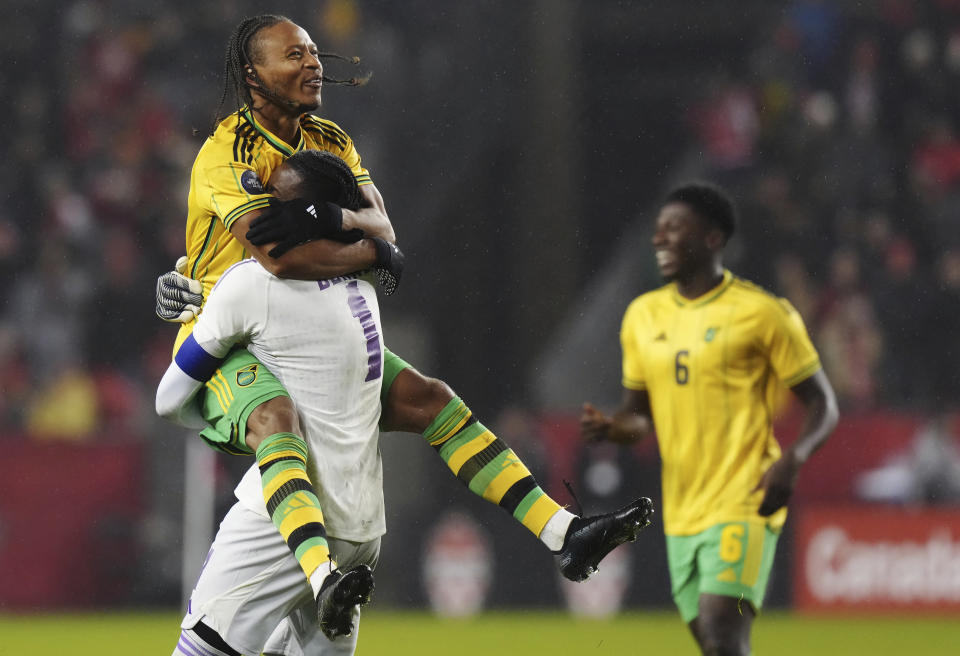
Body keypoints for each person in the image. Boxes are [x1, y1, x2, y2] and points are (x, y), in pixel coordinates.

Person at [156, 13, 654, 655]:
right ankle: (319, 574)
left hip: (317, 317)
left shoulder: (330, 137)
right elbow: (279, 254)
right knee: (277, 417)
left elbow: (383, 225)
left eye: (313, 52)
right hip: (232, 341)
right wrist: (364, 250)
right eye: (293, 55)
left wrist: (344, 228)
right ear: (254, 76)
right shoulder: (228, 153)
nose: (313, 63)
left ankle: (562, 532)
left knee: (431, 398)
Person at [581, 182, 839, 656]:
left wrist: (794, 459)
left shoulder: (763, 314)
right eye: (657, 230)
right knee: (716, 645)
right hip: (681, 511)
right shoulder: (643, 316)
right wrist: (615, 428)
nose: (660, 239)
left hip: (746, 497)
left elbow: (824, 402)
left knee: (724, 629)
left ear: (713, 238)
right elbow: (640, 417)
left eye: (675, 228)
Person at [158, 149, 386, 655]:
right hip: (362, 527)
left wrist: (233, 418)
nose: (258, 210)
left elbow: (167, 400)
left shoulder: (249, 286)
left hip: (283, 515)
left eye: (274, 200)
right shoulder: (363, 289)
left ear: (304, 216)